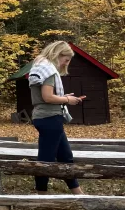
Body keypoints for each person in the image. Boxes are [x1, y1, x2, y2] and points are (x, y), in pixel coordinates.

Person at [29, 41, 85, 195]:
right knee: (45, 160)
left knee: (66, 157)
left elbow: (45, 96)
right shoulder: (48, 71)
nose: (65, 64)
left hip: (48, 117)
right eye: (65, 60)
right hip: (50, 118)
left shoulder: (40, 67)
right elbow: (47, 97)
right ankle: (41, 195)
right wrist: (67, 100)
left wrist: (63, 97)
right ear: (57, 54)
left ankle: (79, 194)